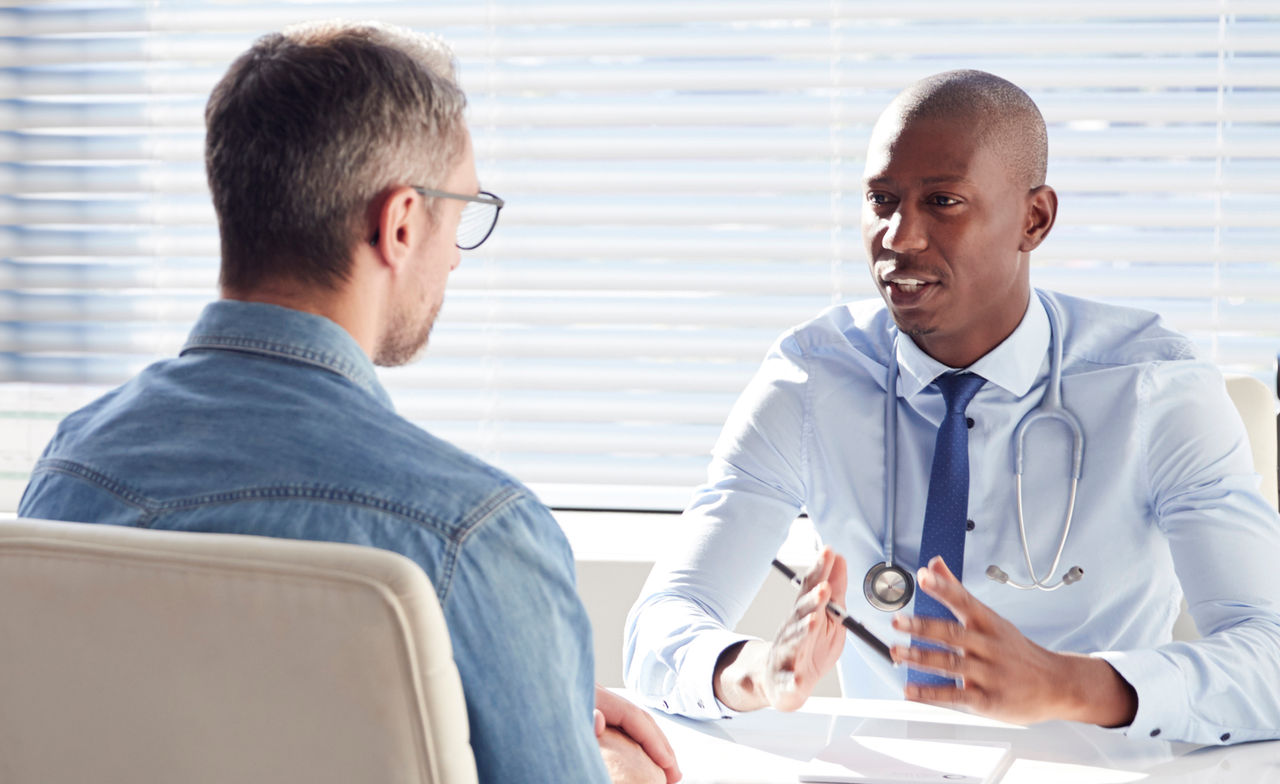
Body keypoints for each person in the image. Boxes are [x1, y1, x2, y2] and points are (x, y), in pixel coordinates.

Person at [18, 21, 677, 784]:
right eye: (462, 214)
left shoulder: (71, 469)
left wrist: (490, 694)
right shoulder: (475, 538)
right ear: (398, 224)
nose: (457, 256)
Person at [624, 69, 1280, 746]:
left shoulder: (1156, 389)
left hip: (1102, 769)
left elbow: (1272, 659)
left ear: (1035, 219)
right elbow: (659, 627)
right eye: (882, 199)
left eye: (942, 201)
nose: (899, 236)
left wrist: (1065, 683)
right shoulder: (810, 378)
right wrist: (759, 669)